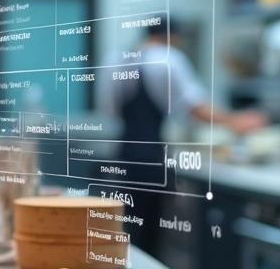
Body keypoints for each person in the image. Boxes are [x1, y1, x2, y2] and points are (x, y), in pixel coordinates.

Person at [97, 17, 268, 254]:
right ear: (172, 36)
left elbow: (110, 110)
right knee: (149, 235)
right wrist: (235, 121)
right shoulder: (167, 59)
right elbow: (195, 107)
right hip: (151, 160)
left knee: (125, 228)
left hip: (123, 156)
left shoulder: (115, 61)